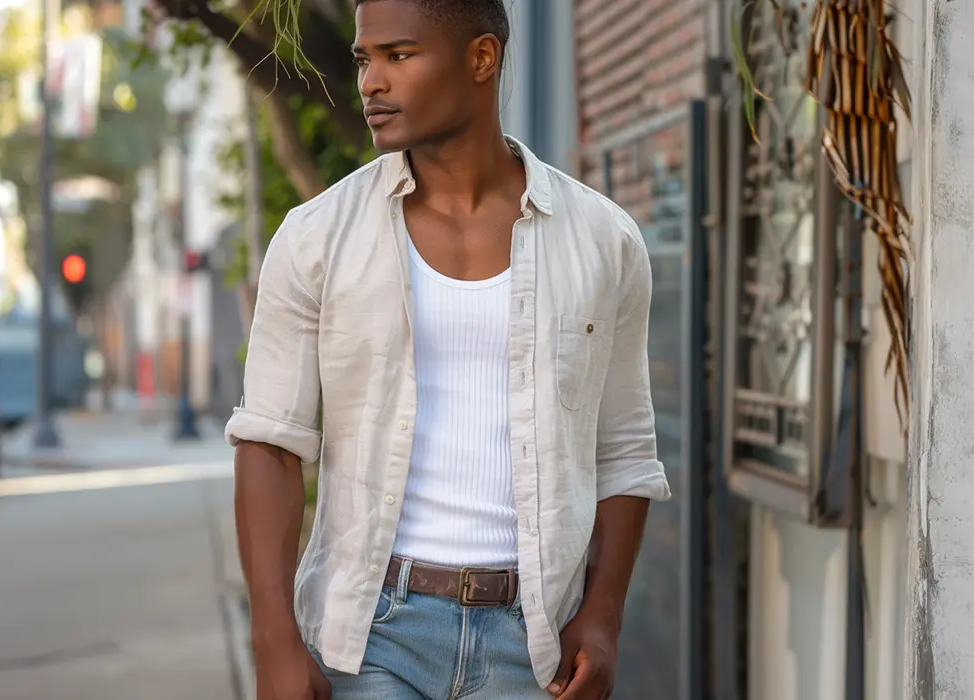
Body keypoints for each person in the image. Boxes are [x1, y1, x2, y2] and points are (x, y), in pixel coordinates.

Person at [226, 0, 670, 698]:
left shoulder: (602, 241)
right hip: (371, 634)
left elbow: (624, 454)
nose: (372, 81)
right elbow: (270, 443)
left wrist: (603, 615)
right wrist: (273, 638)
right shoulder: (316, 239)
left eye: (398, 55)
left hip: (532, 640)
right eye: (364, 58)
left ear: (481, 59)